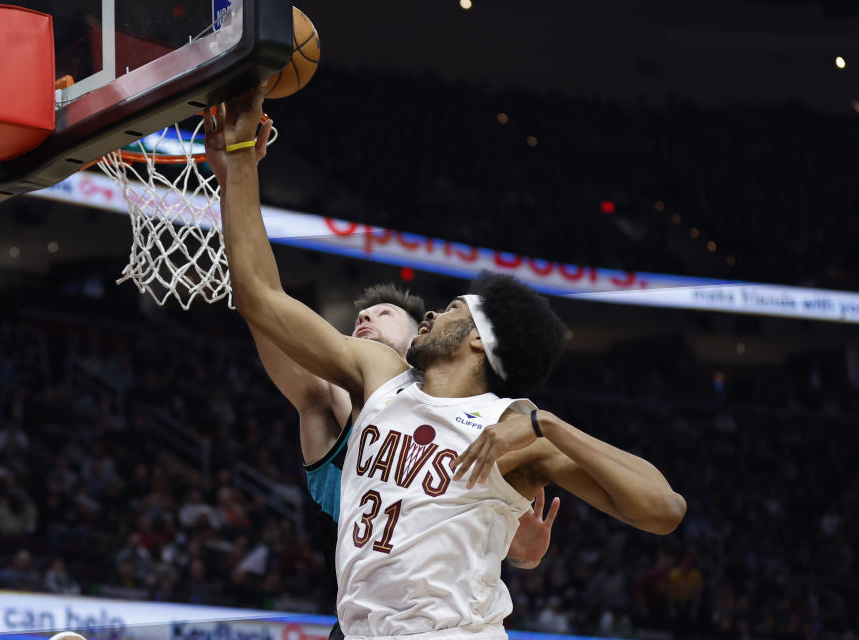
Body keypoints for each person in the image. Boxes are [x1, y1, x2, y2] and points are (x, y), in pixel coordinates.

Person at [214, 85, 686, 640]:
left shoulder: (513, 430)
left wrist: (549, 424)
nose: (434, 310)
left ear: (480, 343)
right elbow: (261, 297)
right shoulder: (380, 376)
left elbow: (664, 510)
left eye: (454, 307)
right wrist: (238, 165)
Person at [203, 114, 560, 611]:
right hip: (364, 611)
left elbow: (512, 538)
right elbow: (264, 308)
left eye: (383, 314)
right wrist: (235, 177)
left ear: (422, 336)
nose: (365, 319)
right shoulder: (328, 397)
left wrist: (521, 553)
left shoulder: (485, 420)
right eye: (358, 320)